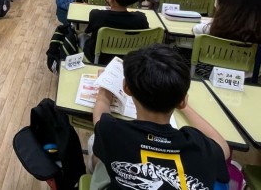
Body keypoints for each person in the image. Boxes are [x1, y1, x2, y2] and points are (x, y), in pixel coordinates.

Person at [91, 44, 229, 190]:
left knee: (94, 147)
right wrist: (182, 104)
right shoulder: (199, 146)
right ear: (182, 100)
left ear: (126, 88)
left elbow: (100, 111)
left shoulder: (112, 132)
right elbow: (223, 147)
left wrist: (104, 89)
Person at [192, 0, 261, 78]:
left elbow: (196, 28)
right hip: (252, 80)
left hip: (211, 75)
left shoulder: (208, 30)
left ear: (225, 11)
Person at [82, 0, 149, 64]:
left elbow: (88, 31)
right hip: (128, 58)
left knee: (82, 36)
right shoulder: (141, 18)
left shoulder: (97, 15)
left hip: (100, 58)